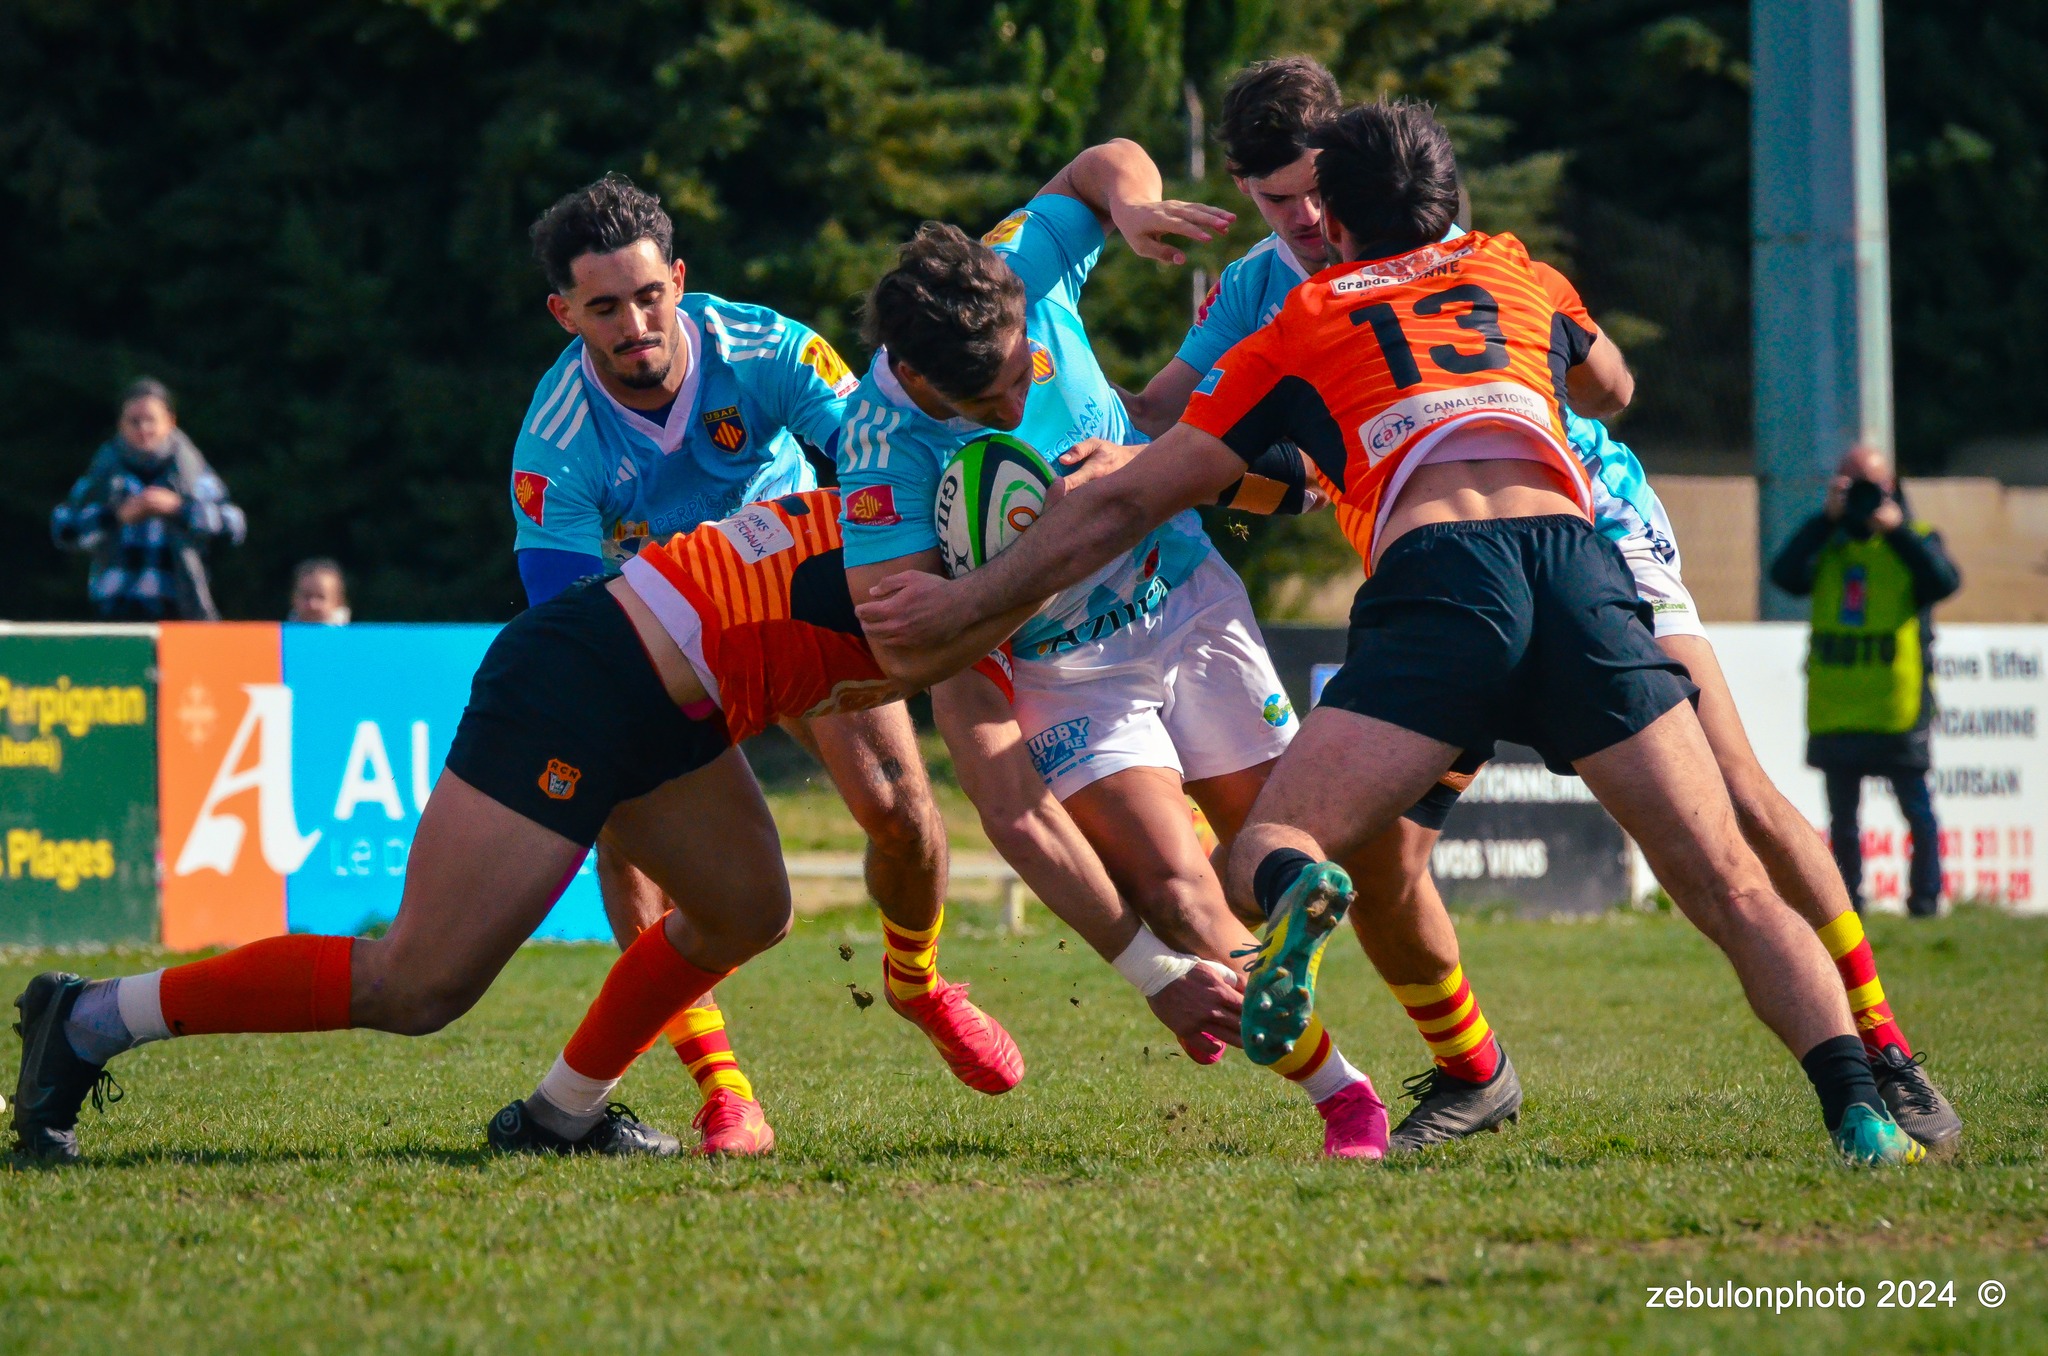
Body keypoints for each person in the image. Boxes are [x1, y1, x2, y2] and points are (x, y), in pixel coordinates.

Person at [857, 100, 1932, 1166]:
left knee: (1272, 849)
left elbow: (1149, 484)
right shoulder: (1513, 268)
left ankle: (1307, 905)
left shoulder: (1300, 323)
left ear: (1335, 218)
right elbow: (1612, 385)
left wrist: (968, 599)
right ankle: (1860, 1106)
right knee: (1723, 877)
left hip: (1443, 587)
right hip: (1574, 565)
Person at [11, 489, 1245, 1164]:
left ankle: (559, 1115)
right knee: (418, 985)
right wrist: (1153, 973)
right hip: (582, 682)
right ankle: (92, 1017)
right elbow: (1016, 811)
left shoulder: (935, 541)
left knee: (747, 908)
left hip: (674, 703)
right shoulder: (933, 597)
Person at [836, 139, 1391, 1159]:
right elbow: (914, 653)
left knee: (1276, 852)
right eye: (989, 407)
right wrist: (1059, 541)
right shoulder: (879, 448)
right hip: (1067, 672)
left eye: (1023, 375)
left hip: (1185, 596)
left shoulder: (1018, 264)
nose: (1018, 408)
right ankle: (1345, 1096)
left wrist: (1131, 208)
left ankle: (1343, 976)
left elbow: (1105, 160)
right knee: (1176, 896)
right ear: (914, 378)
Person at [512, 175, 1005, 1155]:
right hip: (662, 638)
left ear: (678, 278)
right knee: (636, 842)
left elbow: (876, 457)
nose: (634, 326)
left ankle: (915, 980)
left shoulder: (766, 347)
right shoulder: (553, 444)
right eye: (603, 309)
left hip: (787, 597)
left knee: (901, 809)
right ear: (564, 314)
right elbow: (569, 626)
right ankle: (722, 1089)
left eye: (648, 296)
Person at [1770, 444, 1963, 922]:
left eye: (1869, 485)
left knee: (1916, 808)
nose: (1860, 495)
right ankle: (1847, 904)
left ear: (1891, 487)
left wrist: (1896, 529)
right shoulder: (1828, 542)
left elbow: (1944, 581)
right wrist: (1825, 520)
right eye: (1849, 484)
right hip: (1837, 705)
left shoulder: (1915, 538)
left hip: (1896, 705)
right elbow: (1783, 575)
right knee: (1843, 819)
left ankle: (1925, 902)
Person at [51, 378, 246, 621]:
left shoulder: (192, 470)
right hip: (115, 615)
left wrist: (179, 509)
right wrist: (115, 517)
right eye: (134, 421)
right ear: (120, 424)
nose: (143, 428)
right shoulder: (104, 470)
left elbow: (234, 525)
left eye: (151, 420)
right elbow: (64, 528)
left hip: (182, 614)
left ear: (170, 422)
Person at [288, 558, 351, 624]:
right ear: (294, 599)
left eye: (321, 597)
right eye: (306, 596)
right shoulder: (285, 629)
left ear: (338, 601)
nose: (312, 605)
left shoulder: (347, 630)